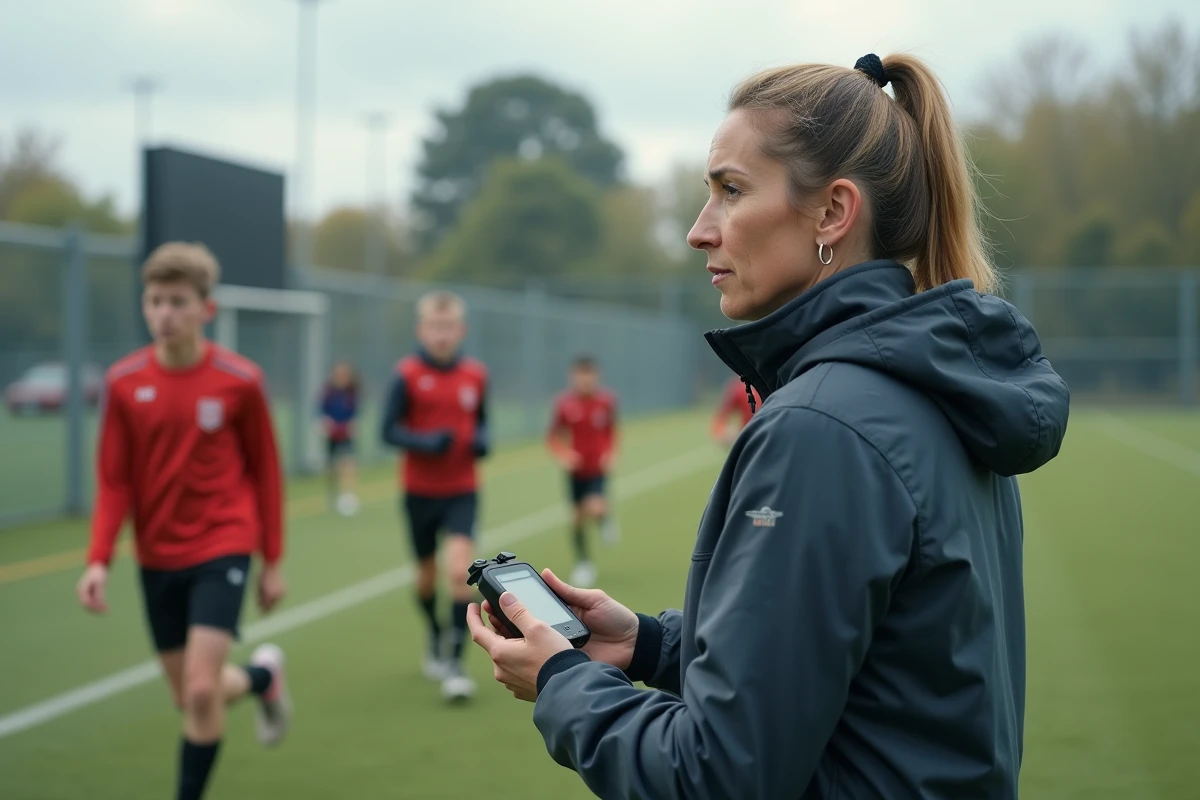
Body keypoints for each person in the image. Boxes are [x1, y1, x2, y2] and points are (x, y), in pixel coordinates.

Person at [467, 53, 1071, 798]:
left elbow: (718, 775)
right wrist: (653, 645)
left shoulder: (823, 427)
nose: (699, 231)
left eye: (731, 191)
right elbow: (882, 667)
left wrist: (562, 682)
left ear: (832, 212)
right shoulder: (938, 388)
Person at [76, 242, 291, 800]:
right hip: (156, 555)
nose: (164, 313)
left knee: (199, 690)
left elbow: (265, 471)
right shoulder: (124, 383)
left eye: (177, 301)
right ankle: (264, 679)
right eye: (154, 301)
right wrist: (97, 560)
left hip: (224, 542)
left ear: (205, 309)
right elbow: (114, 481)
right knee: (191, 696)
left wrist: (273, 559)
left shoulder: (240, 380)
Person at [381, 290, 489, 701]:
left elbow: (481, 422)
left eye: (449, 327)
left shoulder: (476, 375)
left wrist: (480, 440)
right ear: (421, 330)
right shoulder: (406, 374)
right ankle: (435, 631)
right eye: (434, 327)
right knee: (425, 579)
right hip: (419, 493)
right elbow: (387, 430)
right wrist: (426, 442)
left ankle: (456, 665)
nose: (442, 335)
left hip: (462, 489)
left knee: (458, 570)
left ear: (461, 331)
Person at [546, 355, 619, 589]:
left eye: (589, 376)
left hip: (597, 468)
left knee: (595, 507)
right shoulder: (564, 404)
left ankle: (605, 518)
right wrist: (564, 455)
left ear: (596, 377)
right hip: (575, 470)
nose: (585, 381)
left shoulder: (606, 401)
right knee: (577, 520)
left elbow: (611, 431)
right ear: (573, 377)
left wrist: (610, 453)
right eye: (580, 376)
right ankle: (584, 563)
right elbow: (553, 437)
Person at [318, 360, 360, 517]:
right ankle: (331, 494)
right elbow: (321, 411)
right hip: (332, 433)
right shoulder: (328, 392)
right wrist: (325, 422)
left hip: (346, 433)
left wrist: (353, 424)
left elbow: (356, 412)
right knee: (331, 465)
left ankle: (349, 494)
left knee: (348, 463)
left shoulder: (352, 392)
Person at [709, 374, 761, 447]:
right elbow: (721, 416)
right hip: (748, 437)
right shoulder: (737, 388)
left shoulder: (772, 382)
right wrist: (723, 432)